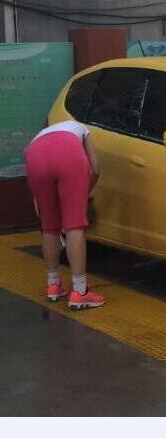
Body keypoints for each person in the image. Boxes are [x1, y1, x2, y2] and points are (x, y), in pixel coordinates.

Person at [24, 120, 105, 309]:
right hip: (68, 155)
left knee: (49, 226)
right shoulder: (81, 128)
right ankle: (80, 292)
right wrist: (84, 192)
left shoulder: (41, 136)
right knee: (74, 225)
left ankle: (53, 286)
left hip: (34, 157)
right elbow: (95, 169)